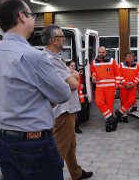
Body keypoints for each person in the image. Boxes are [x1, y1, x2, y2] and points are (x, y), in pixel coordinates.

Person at [0, 0, 71, 180]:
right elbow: (63, 93)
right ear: (22, 16)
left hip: (0, 140)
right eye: (32, 14)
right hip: (32, 145)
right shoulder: (33, 57)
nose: (33, 19)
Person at [41, 24, 93, 180]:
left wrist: (72, 74)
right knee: (59, 149)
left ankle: (76, 173)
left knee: (70, 145)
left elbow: (69, 77)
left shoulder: (55, 58)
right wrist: (75, 74)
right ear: (54, 40)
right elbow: (73, 83)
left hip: (68, 109)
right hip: (62, 111)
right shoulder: (51, 59)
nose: (64, 39)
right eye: (62, 36)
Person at [91, 46, 118, 132]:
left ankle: (108, 124)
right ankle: (112, 120)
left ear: (106, 52)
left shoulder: (112, 61)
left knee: (109, 106)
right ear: (98, 53)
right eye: (100, 52)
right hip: (99, 87)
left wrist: (117, 84)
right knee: (98, 102)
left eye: (103, 52)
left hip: (110, 87)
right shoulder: (94, 62)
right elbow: (93, 72)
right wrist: (93, 77)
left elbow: (118, 73)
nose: (101, 54)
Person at [115, 51, 139, 123]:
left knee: (132, 100)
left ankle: (119, 113)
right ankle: (124, 116)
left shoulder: (136, 65)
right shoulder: (121, 65)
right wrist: (125, 84)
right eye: (128, 56)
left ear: (133, 57)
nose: (129, 58)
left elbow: (137, 77)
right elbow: (119, 76)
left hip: (132, 87)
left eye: (131, 56)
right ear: (125, 57)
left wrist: (134, 84)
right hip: (123, 87)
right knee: (123, 102)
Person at [66, 61, 84, 134]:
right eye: (71, 66)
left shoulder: (76, 74)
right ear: (68, 67)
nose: (73, 67)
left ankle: (76, 126)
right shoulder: (66, 74)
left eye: (74, 66)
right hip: (68, 96)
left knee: (77, 112)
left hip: (76, 95)